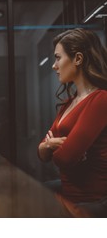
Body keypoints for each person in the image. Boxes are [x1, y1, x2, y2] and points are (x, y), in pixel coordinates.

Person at [37, 28, 107, 217]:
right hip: (69, 194)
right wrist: (51, 145)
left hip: (89, 201)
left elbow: (64, 158)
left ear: (78, 59)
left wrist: (51, 147)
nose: (54, 65)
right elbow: (41, 153)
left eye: (58, 58)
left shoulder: (100, 99)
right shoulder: (69, 102)